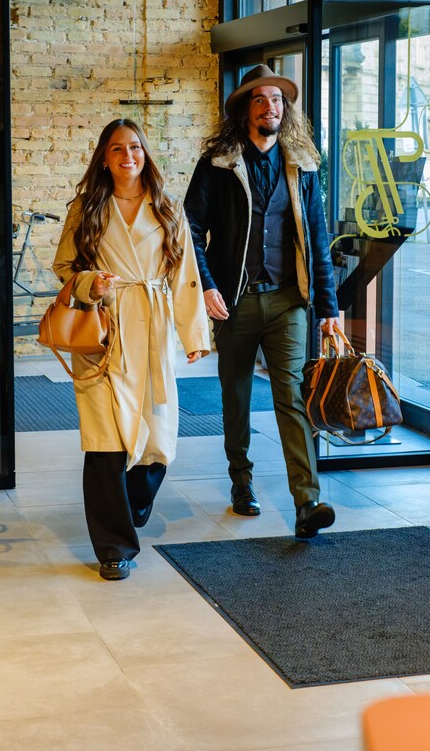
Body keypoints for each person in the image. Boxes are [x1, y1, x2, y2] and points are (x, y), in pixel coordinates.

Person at [184, 64, 340, 539]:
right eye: (260, 100)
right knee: (235, 395)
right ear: (245, 111)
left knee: (292, 397)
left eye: (277, 99)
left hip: (289, 302)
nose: (271, 107)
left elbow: (316, 237)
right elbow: (189, 229)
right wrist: (207, 286)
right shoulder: (219, 164)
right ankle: (241, 482)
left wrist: (329, 308)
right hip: (235, 301)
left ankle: (307, 501)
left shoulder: (304, 165)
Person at [53, 118, 211, 580]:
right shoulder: (86, 208)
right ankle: (113, 547)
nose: (128, 155)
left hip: (153, 330)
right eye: (117, 148)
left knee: (157, 442)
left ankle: (135, 501)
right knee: (104, 441)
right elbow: (66, 265)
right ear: (104, 156)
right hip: (104, 332)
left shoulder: (165, 207)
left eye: (135, 147)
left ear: (145, 154)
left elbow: (185, 275)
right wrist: (89, 283)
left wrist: (194, 335)